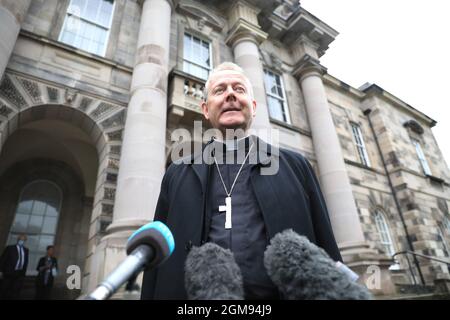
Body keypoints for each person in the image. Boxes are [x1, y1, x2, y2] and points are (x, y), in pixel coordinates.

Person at [141, 62, 342, 300]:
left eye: (239, 89)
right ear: (205, 109)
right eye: (220, 90)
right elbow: (156, 265)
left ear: (253, 107)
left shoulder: (296, 166)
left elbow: (325, 249)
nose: (230, 95)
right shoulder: (176, 173)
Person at [0, 234, 29, 299]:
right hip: (9, 273)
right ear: (18, 240)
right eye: (21, 239)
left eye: (24, 240)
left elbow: (25, 262)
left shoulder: (26, 250)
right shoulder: (10, 248)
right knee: (5, 290)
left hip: (19, 274)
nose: (22, 241)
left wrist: (24, 273)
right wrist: (0, 271)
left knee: (15, 291)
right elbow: (3, 260)